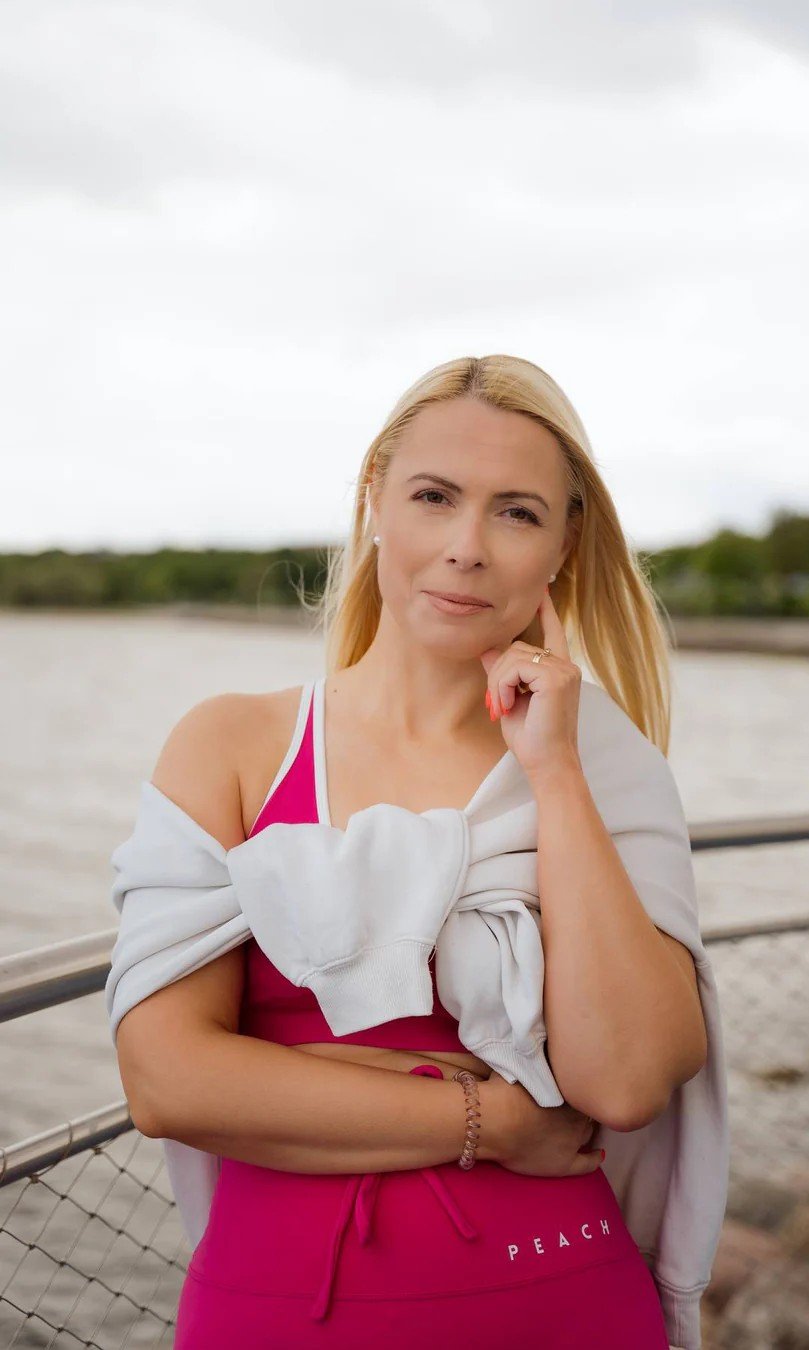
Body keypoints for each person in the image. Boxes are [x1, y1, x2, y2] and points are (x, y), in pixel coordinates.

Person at [112, 354, 716, 1348]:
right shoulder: (233, 746)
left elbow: (625, 1080)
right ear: (375, 503)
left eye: (517, 512)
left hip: (561, 1298)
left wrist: (555, 772)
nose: (466, 548)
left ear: (565, 545)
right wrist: (495, 1120)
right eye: (434, 497)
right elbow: (168, 1082)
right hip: (276, 1313)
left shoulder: (606, 766)